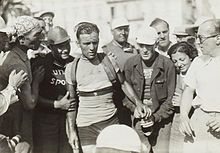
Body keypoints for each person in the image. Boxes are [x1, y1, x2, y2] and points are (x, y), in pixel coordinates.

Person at [64, 22, 149, 153]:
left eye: (95, 42)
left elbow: (123, 83)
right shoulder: (71, 68)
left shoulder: (108, 61)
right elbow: (72, 104)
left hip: (111, 122)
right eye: (86, 44)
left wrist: (138, 102)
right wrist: (71, 132)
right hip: (86, 126)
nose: (92, 47)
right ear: (78, 44)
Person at [124, 26, 176, 153]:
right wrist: (135, 109)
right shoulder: (130, 64)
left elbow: (171, 98)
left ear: (156, 44)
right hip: (139, 119)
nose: (145, 50)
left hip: (162, 119)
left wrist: (155, 117)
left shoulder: (167, 64)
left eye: (149, 46)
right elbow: (125, 95)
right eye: (141, 45)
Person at [0, 16, 45, 150]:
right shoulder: (16, 64)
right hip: (17, 123)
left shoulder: (15, 56)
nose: (41, 38)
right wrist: (36, 82)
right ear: (22, 39)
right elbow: (29, 103)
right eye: (37, 35)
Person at [179, 19, 220, 153]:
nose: (198, 42)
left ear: (218, 38)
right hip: (199, 120)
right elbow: (188, 91)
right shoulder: (198, 62)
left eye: (201, 38)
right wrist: (184, 116)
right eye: (196, 37)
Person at [32, 26, 74, 153]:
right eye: (60, 46)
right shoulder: (41, 65)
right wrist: (56, 104)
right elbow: (32, 98)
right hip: (46, 124)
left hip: (69, 122)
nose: (65, 50)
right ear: (50, 47)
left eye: (67, 44)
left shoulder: (74, 63)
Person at [102, 17, 138, 126]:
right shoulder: (105, 50)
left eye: (126, 29)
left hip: (135, 95)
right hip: (118, 98)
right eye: (119, 29)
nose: (123, 33)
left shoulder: (134, 49)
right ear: (112, 31)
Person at [167, 42, 198, 153]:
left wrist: (183, 102)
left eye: (182, 59)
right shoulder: (174, 75)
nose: (178, 64)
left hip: (194, 118)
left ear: (191, 58)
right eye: (175, 61)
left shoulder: (198, 73)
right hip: (177, 118)